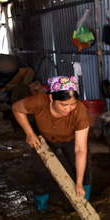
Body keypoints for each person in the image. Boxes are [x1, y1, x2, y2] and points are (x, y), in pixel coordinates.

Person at [12, 76, 92, 211]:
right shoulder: (39, 101)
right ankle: (41, 206)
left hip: (71, 141)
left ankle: (85, 204)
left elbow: (80, 150)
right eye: (63, 104)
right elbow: (16, 108)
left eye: (73, 104)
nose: (68, 109)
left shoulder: (80, 112)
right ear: (51, 98)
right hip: (45, 139)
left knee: (84, 172)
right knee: (40, 172)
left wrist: (78, 182)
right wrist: (30, 134)